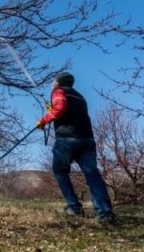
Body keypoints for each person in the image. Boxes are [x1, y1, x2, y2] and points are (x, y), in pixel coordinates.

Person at [36, 72, 115, 224]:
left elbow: (59, 109)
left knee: (60, 171)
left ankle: (74, 207)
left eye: (53, 81)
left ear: (58, 82)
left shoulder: (58, 92)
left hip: (67, 140)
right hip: (87, 139)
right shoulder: (79, 96)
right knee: (92, 175)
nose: (52, 83)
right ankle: (105, 213)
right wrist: (51, 111)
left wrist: (43, 121)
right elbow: (64, 110)